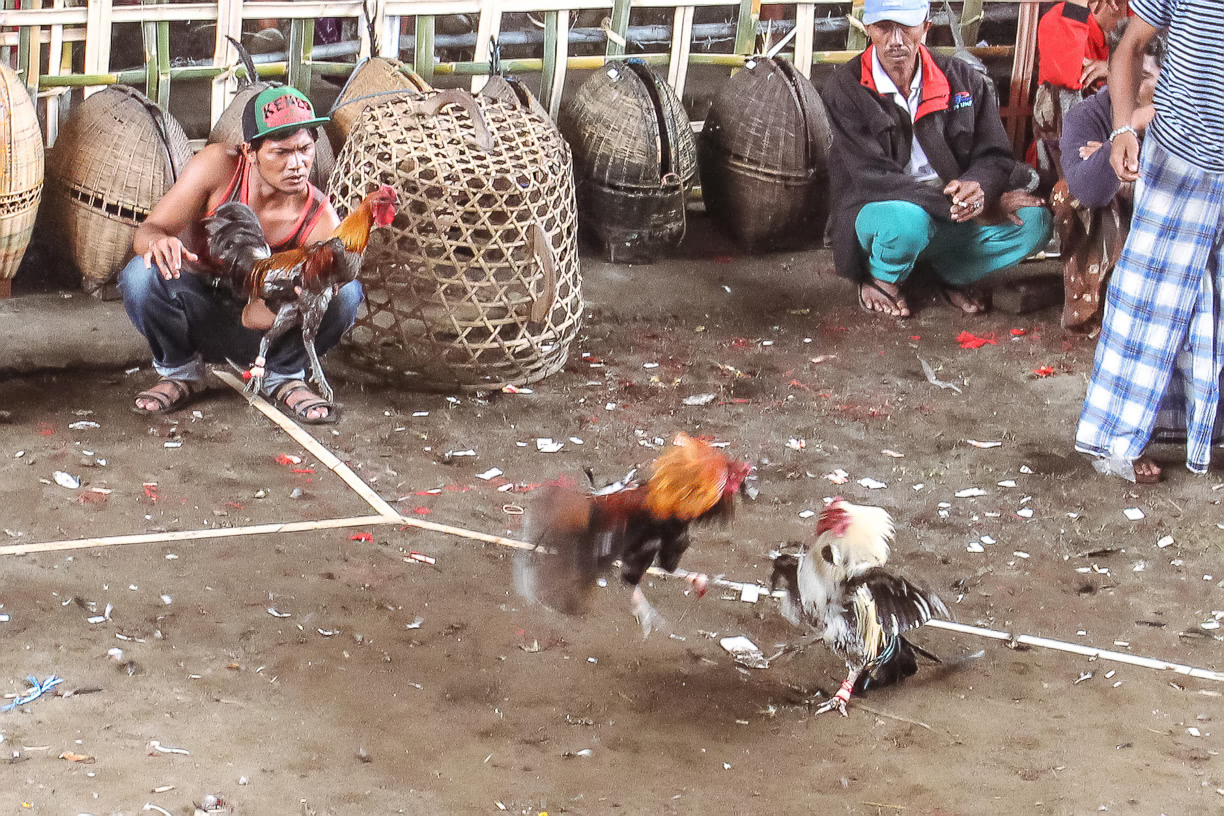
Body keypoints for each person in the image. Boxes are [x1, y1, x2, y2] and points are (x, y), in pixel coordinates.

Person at [119, 85, 359, 424]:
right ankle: (180, 371)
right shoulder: (217, 167)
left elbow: (257, 316)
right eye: (281, 152)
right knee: (140, 275)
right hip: (196, 309)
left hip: (261, 328)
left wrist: (301, 300)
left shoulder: (319, 220)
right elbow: (147, 231)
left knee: (345, 293)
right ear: (249, 152)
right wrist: (159, 242)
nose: (298, 164)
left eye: (305, 149)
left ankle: (283, 374)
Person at [822, 0, 1052, 318]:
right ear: (868, 30)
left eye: (906, 26)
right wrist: (968, 209)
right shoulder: (845, 87)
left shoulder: (963, 79)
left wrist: (980, 187)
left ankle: (952, 273)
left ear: (926, 27)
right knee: (908, 223)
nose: (896, 39)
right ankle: (881, 279)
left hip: (953, 210)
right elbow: (873, 177)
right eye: (884, 27)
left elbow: (995, 154)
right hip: (884, 207)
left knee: (1035, 223)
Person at [1075, 0, 1224, 483]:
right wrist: (1122, 127)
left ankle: (1209, 429)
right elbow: (1130, 46)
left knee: (1217, 305)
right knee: (1146, 302)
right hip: (1179, 155)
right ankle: (1117, 439)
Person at [1053, 24, 1163, 335]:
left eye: (1143, 79)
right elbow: (1087, 189)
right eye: (1120, 73)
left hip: (1163, 222)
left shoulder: (1186, 115)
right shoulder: (1086, 116)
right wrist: (1117, 141)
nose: (1126, 86)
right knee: (1067, 194)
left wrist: (1144, 120)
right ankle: (1089, 306)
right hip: (1116, 219)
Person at [1032, 0, 1129, 189]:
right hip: (1065, 150)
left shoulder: (1145, 20)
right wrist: (1077, 6)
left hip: (1126, 141)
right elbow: (1064, 77)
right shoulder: (1058, 19)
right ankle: (1072, 182)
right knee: (1059, 92)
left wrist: (1114, 71)